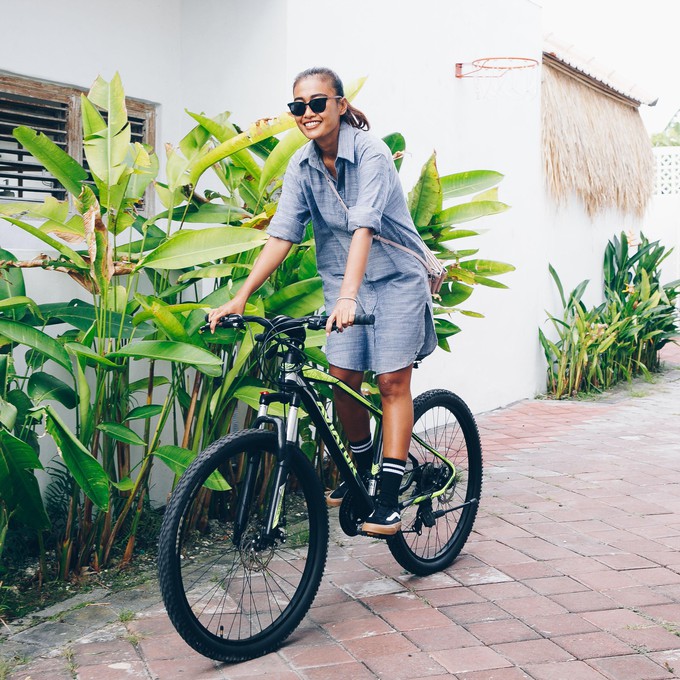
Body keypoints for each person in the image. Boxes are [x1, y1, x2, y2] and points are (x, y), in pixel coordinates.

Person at [208, 67, 437, 536]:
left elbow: (364, 227)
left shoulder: (371, 153)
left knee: (392, 381)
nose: (307, 113)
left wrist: (350, 296)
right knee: (342, 380)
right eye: (298, 107)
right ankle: (362, 474)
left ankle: (389, 500)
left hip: (395, 279)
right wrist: (240, 297)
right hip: (342, 283)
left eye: (317, 103)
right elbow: (282, 235)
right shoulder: (302, 166)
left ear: (341, 105)